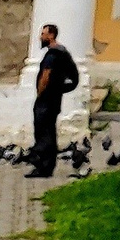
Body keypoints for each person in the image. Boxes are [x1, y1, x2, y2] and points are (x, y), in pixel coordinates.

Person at [28, 25, 80, 178]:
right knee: (49, 130)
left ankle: (43, 166)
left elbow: (46, 75)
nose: (40, 37)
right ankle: (48, 166)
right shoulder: (62, 53)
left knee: (43, 131)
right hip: (55, 98)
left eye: (43, 34)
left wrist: (40, 92)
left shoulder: (52, 55)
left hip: (47, 99)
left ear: (51, 35)